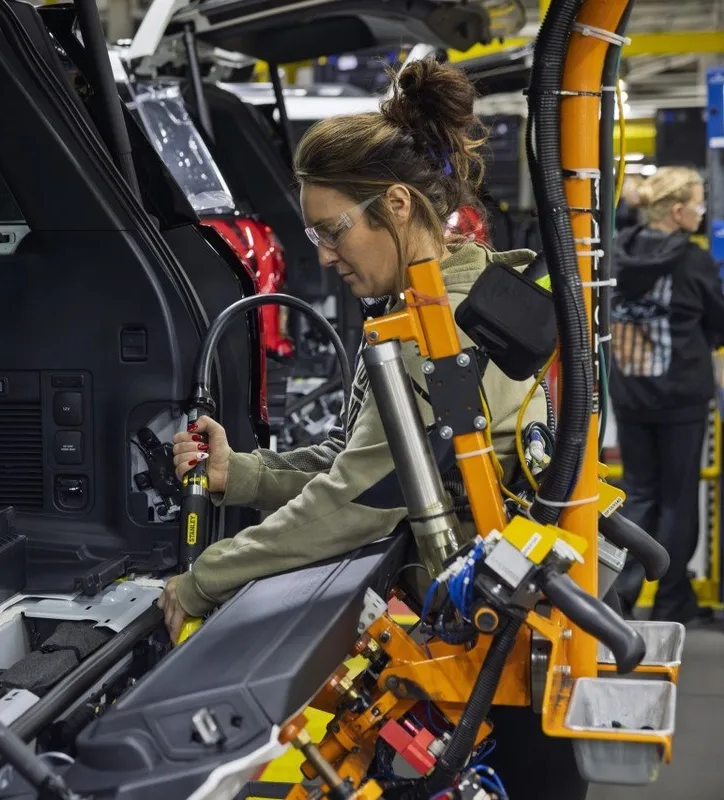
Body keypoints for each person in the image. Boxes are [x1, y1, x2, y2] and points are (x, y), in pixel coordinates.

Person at [157, 58, 584, 800]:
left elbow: (355, 500)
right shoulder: (451, 294)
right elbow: (370, 457)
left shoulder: (438, 338)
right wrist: (245, 474)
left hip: (492, 665)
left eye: (333, 231)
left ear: (394, 204)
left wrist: (201, 581)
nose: (323, 255)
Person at [610, 166, 724, 624]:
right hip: (680, 396)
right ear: (677, 211)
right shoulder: (692, 260)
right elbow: (718, 322)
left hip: (630, 391)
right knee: (677, 501)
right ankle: (675, 603)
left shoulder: (618, 250)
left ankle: (620, 596)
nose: (702, 210)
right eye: (698, 202)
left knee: (638, 495)